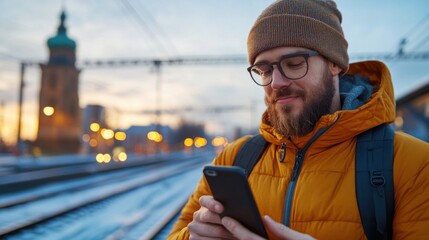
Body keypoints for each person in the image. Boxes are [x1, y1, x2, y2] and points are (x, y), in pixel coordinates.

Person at [167, 0, 429, 239]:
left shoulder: (413, 164)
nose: (277, 83)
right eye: (264, 70)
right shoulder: (234, 159)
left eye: (294, 64)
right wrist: (193, 237)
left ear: (334, 64)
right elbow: (177, 234)